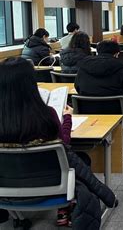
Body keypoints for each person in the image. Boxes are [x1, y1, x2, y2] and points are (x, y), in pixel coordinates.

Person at [0, 57, 116, 228]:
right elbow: (63, 144)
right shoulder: (45, 115)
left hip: (5, 188)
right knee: (82, 158)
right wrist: (67, 117)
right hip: (50, 186)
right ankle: (66, 208)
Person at [75, 40, 123, 131]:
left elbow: (77, 88)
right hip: (118, 115)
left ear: (97, 52)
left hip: (88, 114)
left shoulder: (83, 69)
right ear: (117, 54)